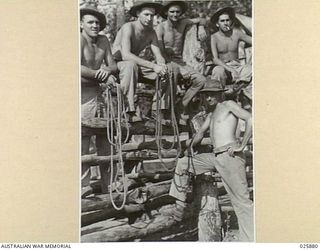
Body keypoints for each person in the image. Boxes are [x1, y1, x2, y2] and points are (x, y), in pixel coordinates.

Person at [168, 81, 254, 242]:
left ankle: (251, 240)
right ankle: (180, 203)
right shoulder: (210, 114)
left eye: (212, 94)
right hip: (215, 157)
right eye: (206, 94)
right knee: (184, 163)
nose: (209, 97)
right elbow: (199, 134)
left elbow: (250, 118)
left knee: (241, 201)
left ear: (220, 94)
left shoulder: (228, 104)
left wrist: (242, 145)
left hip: (230, 156)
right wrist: (186, 149)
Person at [113, 1, 175, 122]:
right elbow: (125, 55)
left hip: (134, 66)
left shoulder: (151, 32)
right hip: (118, 64)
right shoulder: (128, 27)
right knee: (130, 65)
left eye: (152, 15)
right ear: (138, 14)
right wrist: (153, 66)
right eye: (146, 14)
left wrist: (162, 66)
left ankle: (159, 110)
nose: (150, 18)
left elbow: (158, 54)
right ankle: (128, 110)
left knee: (168, 70)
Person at [80, 5, 118, 197]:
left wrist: (108, 73)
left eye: (97, 23)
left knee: (106, 138)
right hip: (83, 96)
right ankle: (84, 187)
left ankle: (109, 186)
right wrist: (98, 74)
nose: (95, 25)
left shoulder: (104, 40)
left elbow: (113, 65)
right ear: (81, 24)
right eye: (90, 22)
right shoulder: (77, 40)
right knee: (83, 139)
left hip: (100, 95)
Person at [156, 1, 209, 125]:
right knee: (172, 73)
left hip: (180, 61)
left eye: (177, 12)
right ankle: (167, 110)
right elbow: (159, 50)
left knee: (201, 80)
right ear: (166, 12)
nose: (175, 14)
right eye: (172, 11)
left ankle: (181, 106)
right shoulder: (160, 27)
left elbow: (202, 20)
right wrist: (170, 65)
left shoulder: (184, 22)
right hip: (165, 61)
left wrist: (201, 27)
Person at [210, 7, 252, 91]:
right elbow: (215, 59)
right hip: (223, 66)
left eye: (227, 20)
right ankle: (218, 95)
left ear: (231, 21)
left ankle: (238, 90)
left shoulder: (236, 33)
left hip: (237, 66)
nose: (226, 23)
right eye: (222, 21)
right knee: (217, 71)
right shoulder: (214, 37)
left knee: (250, 69)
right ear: (217, 24)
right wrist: (230, 69)